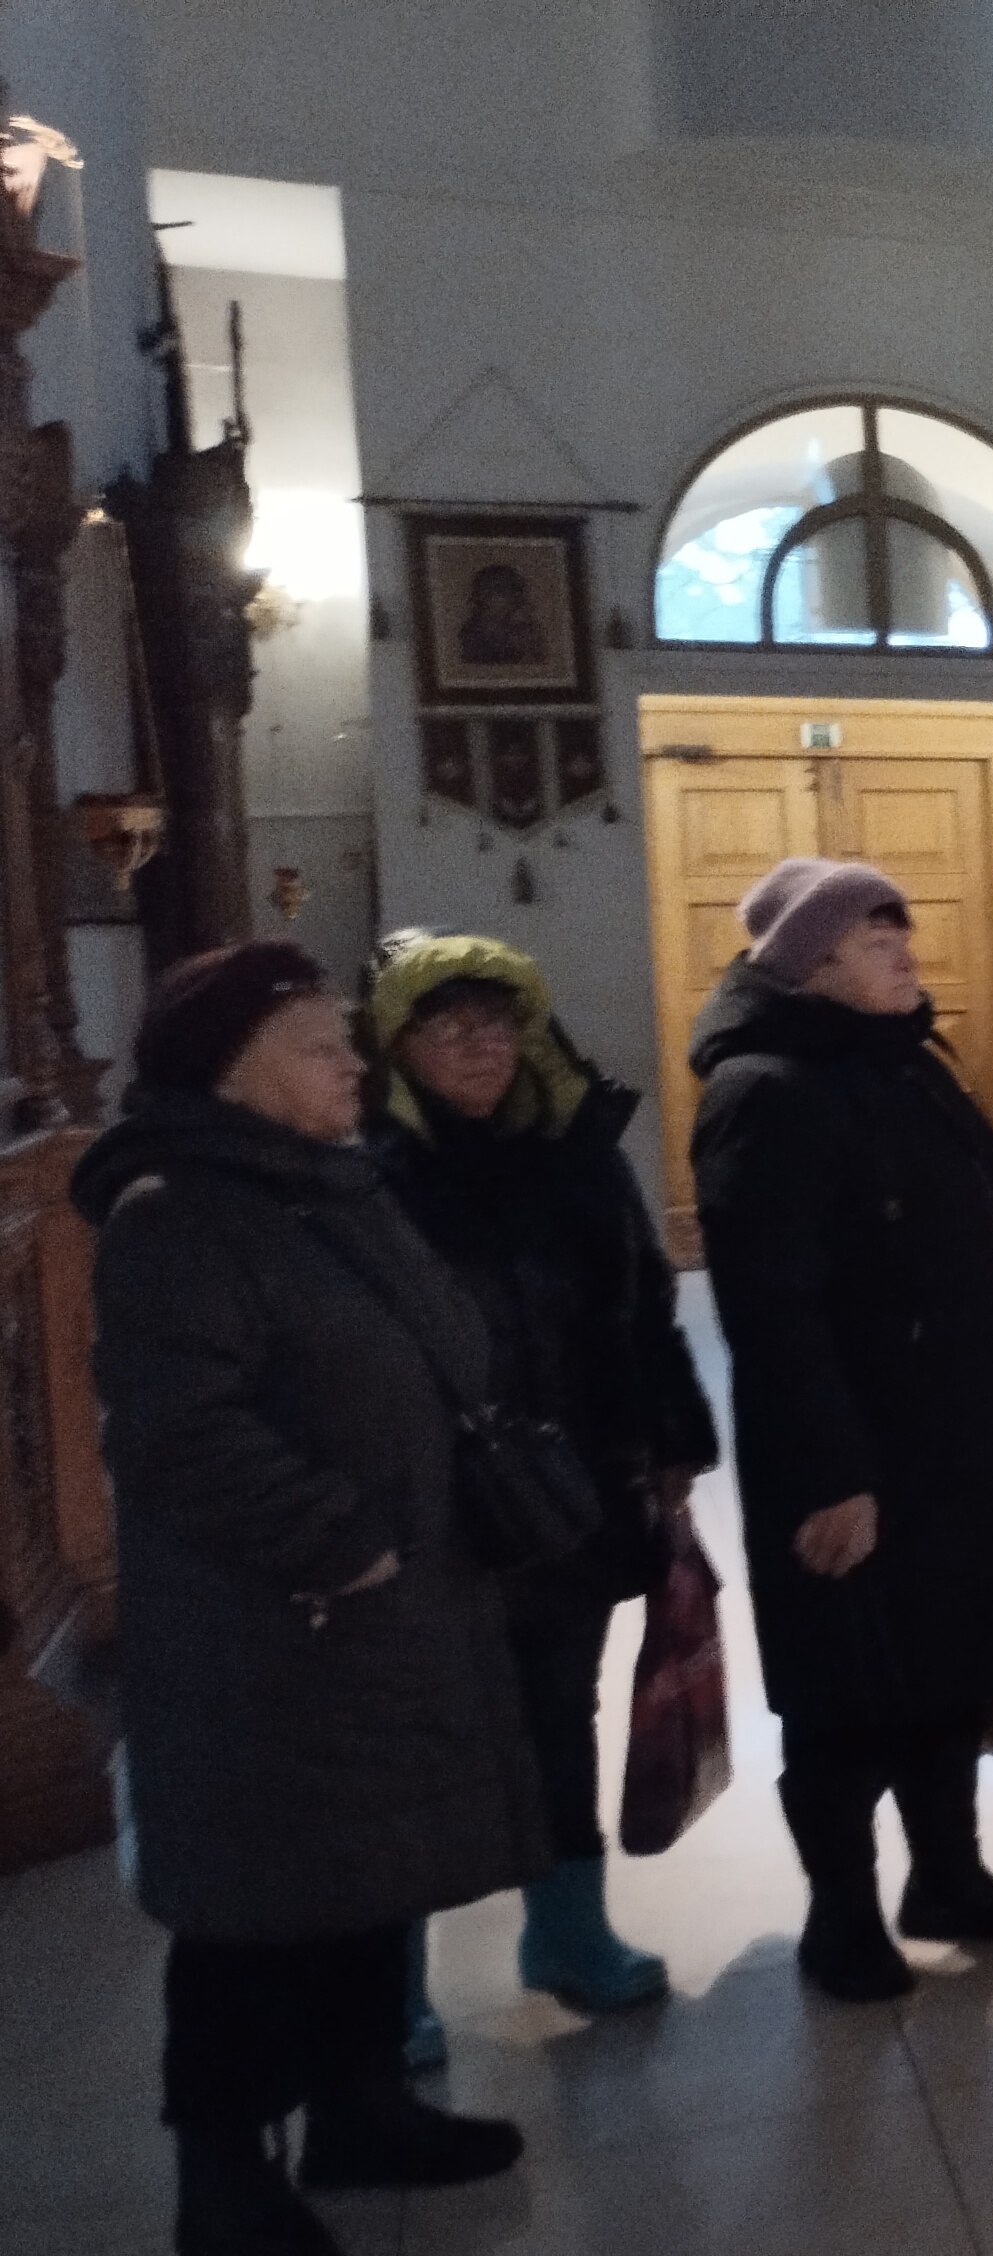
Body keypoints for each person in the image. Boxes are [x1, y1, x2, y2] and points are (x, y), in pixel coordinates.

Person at [79, 943, 543, 2251]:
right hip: (278, 1630)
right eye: (319, 1045)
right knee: (255, 1914)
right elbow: (177, 1435)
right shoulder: (177, 1214)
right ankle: (223, 2179)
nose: (355, 1064)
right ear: (230, 1072)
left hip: (384, 1610)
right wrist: (337, 1542)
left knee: (364, 1872)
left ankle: (360, 2107)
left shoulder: (326, 1185)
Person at [691, 858, 993, 2002]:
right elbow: (771, 1308)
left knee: (952, 1668)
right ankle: (841, 1916)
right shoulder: (764, 1090)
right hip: (854, 1457)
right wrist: (834, 1476)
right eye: (879, 942)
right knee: (848, 1695)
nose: (907, 956)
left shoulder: (905, 1063)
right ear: (811, 964)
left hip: (960, 1436)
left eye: (900, 935)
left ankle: (948, 1877)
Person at [364, 934, 718, 2021]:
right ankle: (393, 1991)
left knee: (560, 1714)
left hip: (573, 1486)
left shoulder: (575, 1149)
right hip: (431, 1502)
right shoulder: (363, 1169)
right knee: (419, 1740)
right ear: (398, 1046)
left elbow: (643, 1303)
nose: (481, 1047)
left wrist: (672, 1440)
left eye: (498, 1025)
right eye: (449, 1028)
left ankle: (567, 1936)